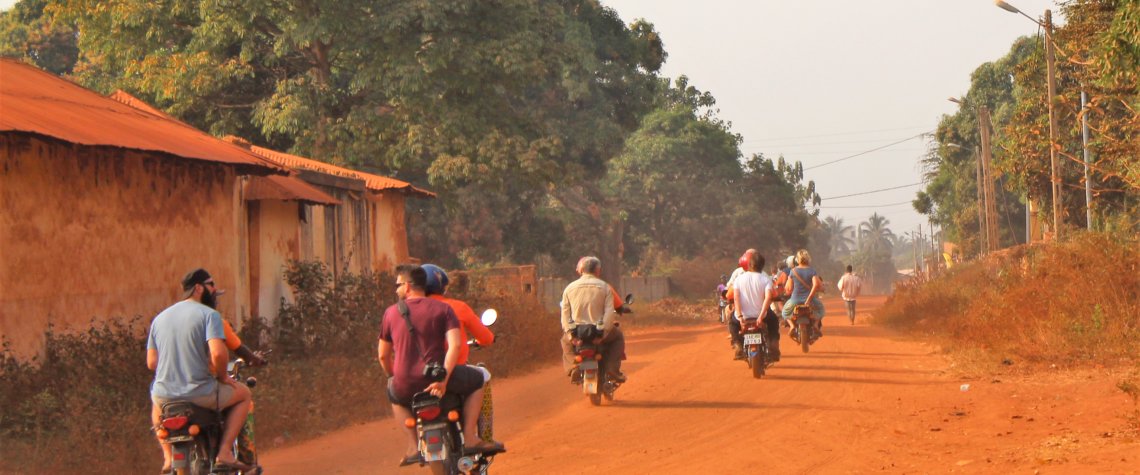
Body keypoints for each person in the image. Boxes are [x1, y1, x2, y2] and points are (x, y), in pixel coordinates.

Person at [378, 265, 502, 467]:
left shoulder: (391, 313)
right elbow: (455, 346)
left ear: (408, 286)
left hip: (405, 383)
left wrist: (396, 377)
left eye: (398, 285)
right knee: (479, 379)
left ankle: (412, 446)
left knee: (393, 392)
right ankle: (471, 437)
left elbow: (383, 356)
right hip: (441, 376)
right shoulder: (445, 309)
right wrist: (442, 380)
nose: (396, 289)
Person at [147, 269, 252, 473]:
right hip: (200, 393)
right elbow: (219, 355)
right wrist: (222, 377)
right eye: (211, 286)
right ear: (198, 288)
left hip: (166, 397)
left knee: (156, 396)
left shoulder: (159, 319)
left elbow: (152, 363)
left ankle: (168, 458)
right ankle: (224, 452)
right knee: (244, 395)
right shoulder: (209, 315)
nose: (214, 291)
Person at [560, 256, 627, 383]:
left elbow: (565, 314)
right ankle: (612, 369)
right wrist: (603, 334)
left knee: (565, 342)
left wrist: (570, 335)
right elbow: (609, 314)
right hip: (598, 331)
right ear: (598, 271)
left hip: (578, 333)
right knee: (618, 337)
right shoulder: (604, 287)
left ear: (581, 270)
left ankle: (573, 367)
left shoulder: (569, 288)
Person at [422, 264, 494, 365]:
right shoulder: (458, 307)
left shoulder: (405, 311)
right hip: (455, 370)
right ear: (443, 287)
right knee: (483, 373)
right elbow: (486, 338)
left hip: (417, 373)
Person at [725, 251, 781, 361]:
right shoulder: (765, 279)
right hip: (761, 316)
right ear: (762, 265)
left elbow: (735, 297)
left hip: (743, 317)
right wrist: (760, 317)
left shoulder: (739, 279)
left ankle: (738, 344)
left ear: (749, 265)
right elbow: (769, 298)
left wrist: (740, 317)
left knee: (732, 323)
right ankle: (773, 345)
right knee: (774, 321)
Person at [781, 250, 826, 334]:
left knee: (784, 312)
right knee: (821, 310)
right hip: (810, 301)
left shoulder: (793, 271)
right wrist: (809, 299)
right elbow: (816, 285)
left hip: (795, 300)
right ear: (808, 259)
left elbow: (789, 288)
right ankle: (816, 324)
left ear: (797, 260)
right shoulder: (812, 271)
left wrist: (787, 291)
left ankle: (792, 326)